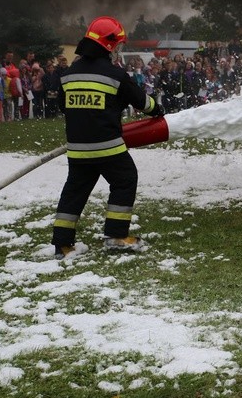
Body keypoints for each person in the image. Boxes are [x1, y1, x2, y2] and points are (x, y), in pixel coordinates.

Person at [52, 16, 164, 259]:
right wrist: (158, 109)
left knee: (74, 191)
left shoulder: (69, 74)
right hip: (108, 148)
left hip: (78, 149)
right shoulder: (115, 75)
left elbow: (64, 106)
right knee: (125, 180)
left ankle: (62, 244)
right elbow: (143, 103)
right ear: (110, 45)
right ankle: (116, 235)